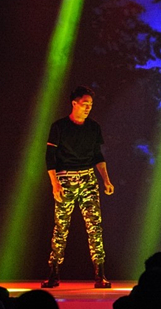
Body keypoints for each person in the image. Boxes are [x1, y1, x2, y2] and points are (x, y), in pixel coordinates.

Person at [41, 85, 115, 289]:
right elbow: (50, 157)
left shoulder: (93, 127)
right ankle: (54, 273)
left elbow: (98, 156)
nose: (88, 107)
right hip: (65, 179)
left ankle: (100, 274)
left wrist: (106, 180)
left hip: (88, 179)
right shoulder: (59, 127)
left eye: (90, 104)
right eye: (84, 104)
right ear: (74, 103)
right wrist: (55, 184)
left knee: (95, 227)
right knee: (61, 227)